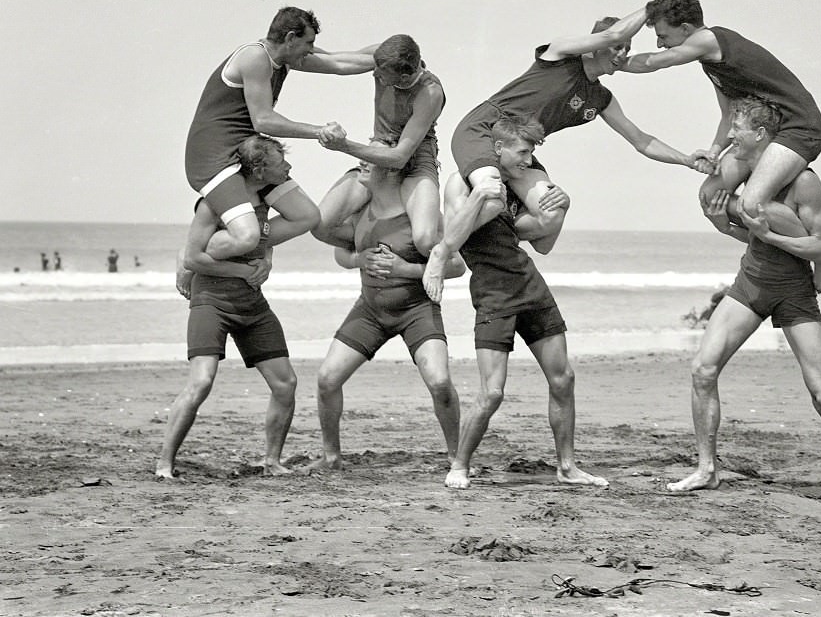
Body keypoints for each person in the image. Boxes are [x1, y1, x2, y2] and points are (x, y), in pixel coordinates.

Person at [667, 97, 821, 521]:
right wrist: (723, 224)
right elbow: (750, 235)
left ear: (762, 135)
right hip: (750, 283)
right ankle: (706, 468)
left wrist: (773, 237)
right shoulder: (744, 175)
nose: (729, 136)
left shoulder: (804, 182)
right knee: (703, 369)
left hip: (794, 291)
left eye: (737, 129)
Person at [422, 10, 711, 300]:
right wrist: (654, 6)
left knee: (550, 214)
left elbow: (641, 141)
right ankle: (442, 253)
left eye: (627, 48)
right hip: (485, 131)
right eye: (617, 47)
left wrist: (686, 159)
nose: (622, 53)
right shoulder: (558, 55)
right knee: (492, 196)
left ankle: (464, 224)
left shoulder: (600, 99)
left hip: (521, 151)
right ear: (596, 44)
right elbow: (614, 33)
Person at [624, 0, 821, 292]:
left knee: (751, 202)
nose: (660, 43)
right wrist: (714, 152)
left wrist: (612, 62)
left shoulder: (708, 39)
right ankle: (782, 246)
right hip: (768, 128)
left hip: (800, 127)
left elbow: (655, 62)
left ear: (686, 29)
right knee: (710, 195)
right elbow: (728, 116)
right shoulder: (711, 63)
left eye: (663, 35)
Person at [436, 115, 607, 490]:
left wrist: (560, 209)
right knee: (493, 392)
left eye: (531, 153)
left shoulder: (513, 188)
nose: (528, 161)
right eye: (523, 152)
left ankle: (567, 467)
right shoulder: (461, 183)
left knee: (563, 378)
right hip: (493, 295)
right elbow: (452, 234)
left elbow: (541, 241)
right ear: (498, 148)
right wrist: (486, 200)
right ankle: (460, 466)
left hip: (531, 287)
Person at [157, 135, 319, 479]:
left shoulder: (263, 200)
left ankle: (272, 461)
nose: (288, 168)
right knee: (201, 382)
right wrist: (244, 270)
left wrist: (268, 259)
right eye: (280, 163)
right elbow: (194, 257)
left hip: (251, 303)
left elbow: (266, 236)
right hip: (212, 300)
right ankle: (164, 464)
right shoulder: (214, 203)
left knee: (285, 383)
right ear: (259, 169)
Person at [309, 141, 466, 472]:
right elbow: (333, 241)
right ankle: (332, 457)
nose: (361, 163)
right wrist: (358, 258)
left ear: (393, 168)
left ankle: (457, 457)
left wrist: (405, 270)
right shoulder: (360, 212)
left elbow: (456, 266)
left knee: (439, 383)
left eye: (369, 159)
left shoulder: (421, 216)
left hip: (416, 311)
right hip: (370, 311)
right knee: (326, 379)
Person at [184, 6, 377, 264]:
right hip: (214, 157)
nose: (311, 50)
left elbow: (339, 62)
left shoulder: (288, 58)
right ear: (289, 38)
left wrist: (395, 55)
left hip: (250, 154)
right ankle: (196, 251)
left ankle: (237, 244)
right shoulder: (255, 57)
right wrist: (318, 131)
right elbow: (263, 120)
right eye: (308, 43)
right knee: (247, 237)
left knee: (307, 216)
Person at [313, 34, 445, 257]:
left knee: (425, 240)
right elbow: (334, 61)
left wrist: (343, 146)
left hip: (416, 158)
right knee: (321, 226)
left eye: (381, 74)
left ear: (403, 77)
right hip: (378, 147)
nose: (373, 73)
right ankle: (372, 249)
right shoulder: (382, 56)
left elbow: (400, 156)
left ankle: (429, 262)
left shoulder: (429, 92)